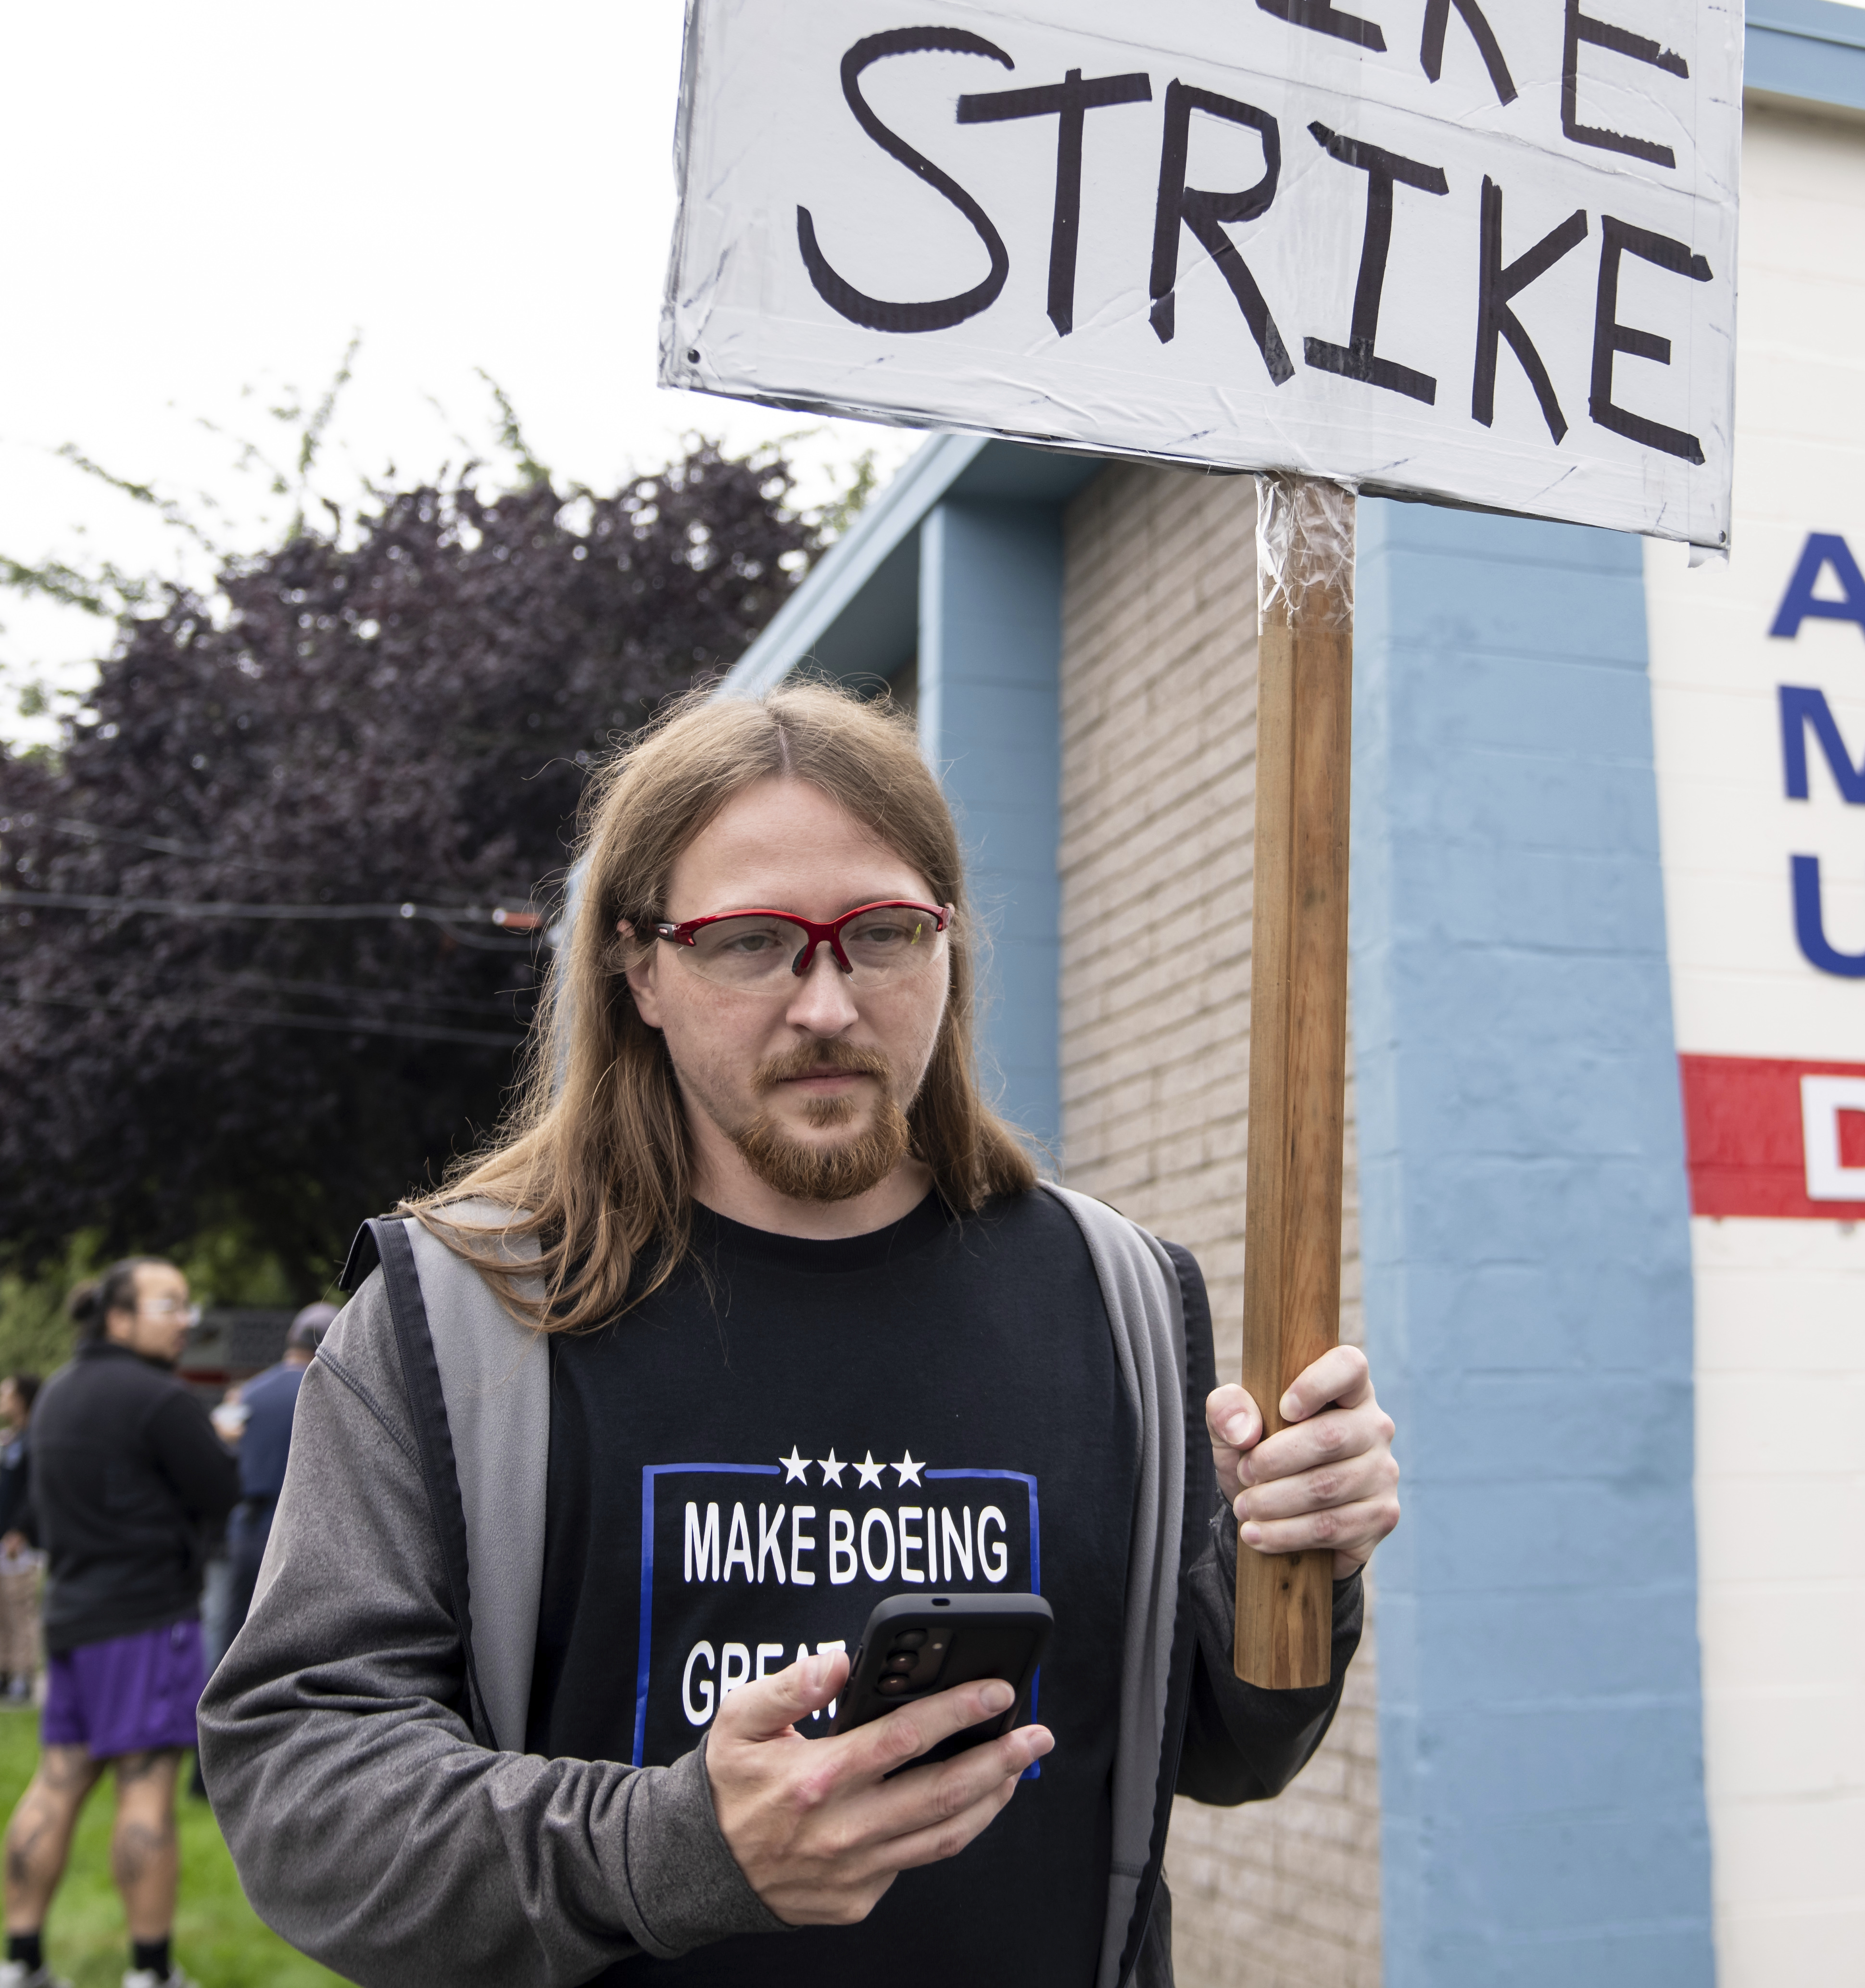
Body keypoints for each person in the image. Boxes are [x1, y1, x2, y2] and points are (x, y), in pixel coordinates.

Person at [203, 683, 1400, 1987]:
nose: (827, 1005)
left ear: (949, 943)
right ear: (637, 965)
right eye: (751, 942)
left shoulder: (1119, 1296)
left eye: (882, 933)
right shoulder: (465, 1313)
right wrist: (674, 1849)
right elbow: (301, 1790)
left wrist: (1297, 1561)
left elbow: (1225, 1748)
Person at [4, 1262, 238, 1988]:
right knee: (146, 1791)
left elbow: (39, 1515)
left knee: (55, 1783)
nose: (184, 1319)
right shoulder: (160, 1399)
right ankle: (150, 1974)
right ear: (119, 1319)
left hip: (71, 1617)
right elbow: (222, 1489)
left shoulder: (59, 1395)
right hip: (143, 1618)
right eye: (168, 1304)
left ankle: (21, 1964)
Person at [216, 1307, 335, 1640]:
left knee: (233, 1640)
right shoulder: (328, 1392)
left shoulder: (248, 1393)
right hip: (300, 1540)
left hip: (246, 1532)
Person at [0, 1377, 42, 1707]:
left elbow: (35, 1490)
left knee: (20, 1609)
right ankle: (5, 1672)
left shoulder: (37, 1437)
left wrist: (20, 1529)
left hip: (21, 1542)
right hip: (4, 1539)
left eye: (7, 1392)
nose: (2, 1397)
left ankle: (23, 1678)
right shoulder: (13, 1438)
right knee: (4, 1610)